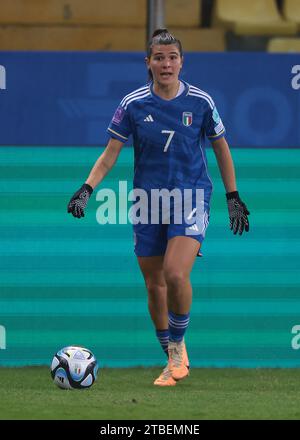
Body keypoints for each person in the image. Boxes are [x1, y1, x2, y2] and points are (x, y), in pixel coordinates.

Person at [67, 29, 250, 386]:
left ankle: (178, 346)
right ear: (148, 63)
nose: (166, 64)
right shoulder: (133, 103)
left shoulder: (200, 101)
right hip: (148, 201)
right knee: (154, 286)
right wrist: (87, 189)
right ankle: (170, 355)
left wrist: (233, 196)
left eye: (172, 57)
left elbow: (221, 148)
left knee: (175, 273)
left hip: (191, 196)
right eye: (159, 58)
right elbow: (110, 154)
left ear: (182, 61)